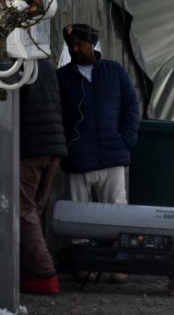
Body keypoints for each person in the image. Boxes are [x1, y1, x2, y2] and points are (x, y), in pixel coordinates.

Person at [57, 23, 140, 283]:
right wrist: (65, 148)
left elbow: (131, 106)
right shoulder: (62, 78)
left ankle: (118, 265)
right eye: (72, 45)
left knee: (117, 211)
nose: (75, 48)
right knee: (78, 216)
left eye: (80, 44)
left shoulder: (114, 72)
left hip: (112, 156)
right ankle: (85, 265)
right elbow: (57, 115)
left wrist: (125, 140)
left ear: (92, 44)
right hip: (78, 159)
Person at [19, 58, 67, 294]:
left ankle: (43, 272)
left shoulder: (14, 64)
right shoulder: (46, 65)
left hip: (30, 148)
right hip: (53, 146)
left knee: (22, 210)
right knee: (34, 210)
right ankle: (31, 269)